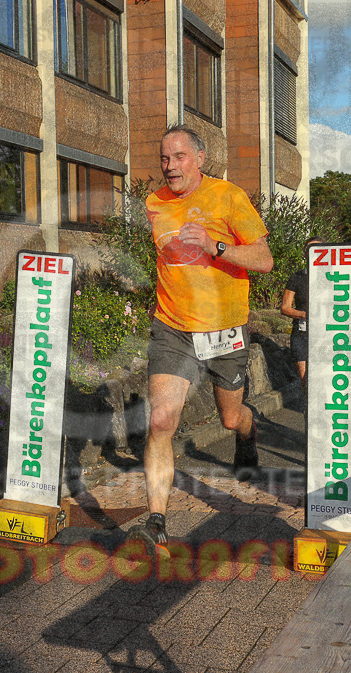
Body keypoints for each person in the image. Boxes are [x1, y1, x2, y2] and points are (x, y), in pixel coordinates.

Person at [129, 125, 274, 553]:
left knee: (230, 417)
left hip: (225, 328)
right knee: (160, 420)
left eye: (179, 157)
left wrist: (216, 246)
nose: (170, 166)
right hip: (173, 327)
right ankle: (156, 521)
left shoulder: (228, 196)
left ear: (200, 158)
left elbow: (264, 260)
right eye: (164, 158)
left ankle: (247, 434)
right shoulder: (154, 204)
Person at [281, 236, 323, 393]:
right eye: (310, 250)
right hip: (302, 335)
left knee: (324, 378)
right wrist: (305, 314)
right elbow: (285, 308)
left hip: (326, 334)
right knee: (306, 380)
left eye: (318, 250)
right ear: (305, 254)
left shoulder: (334, 276)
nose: (314, 253)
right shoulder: (296, 278)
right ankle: (309, 414)